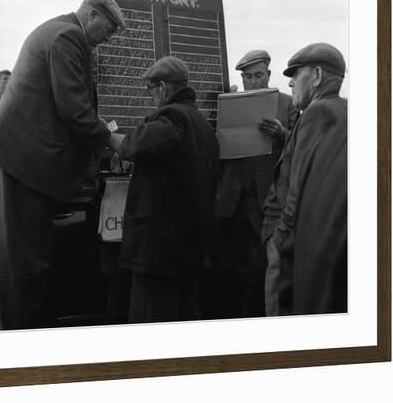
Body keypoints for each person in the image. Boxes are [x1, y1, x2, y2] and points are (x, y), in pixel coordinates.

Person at [0, 0, 126, 329]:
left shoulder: (59, 32)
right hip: (29, 166)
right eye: (109, 29)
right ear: (91, 15)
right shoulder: (69, 37)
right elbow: (73, 109)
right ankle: (20, 339)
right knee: (26, 264)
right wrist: (111, 140)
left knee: (26, 257)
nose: (109, 38)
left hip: (25, 162)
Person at [110, 56, 220, 324]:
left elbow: (138, 145)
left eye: (151, 90)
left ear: (162, 86)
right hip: (189, 249)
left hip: (160, 252)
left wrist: (107, 137)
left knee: (150, 321)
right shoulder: (204, 125)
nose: (151, 97)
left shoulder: (174, 116)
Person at [264, 42, 347, 316]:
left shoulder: (316, 112)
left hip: (292, 243)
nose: (290, 85)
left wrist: (280, 241)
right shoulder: (342, 111)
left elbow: (297, 191)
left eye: (295, 75)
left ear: (318, 76)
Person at [213, 50, 298, 318]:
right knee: (230, 262)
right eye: (248, 77)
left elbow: (301, 146)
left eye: (258, 75)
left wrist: (282, 134)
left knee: (261, 263)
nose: (253, 81)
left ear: (268, 76)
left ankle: (258, 312)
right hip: (232, 197)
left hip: (266, 198)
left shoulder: (287, 104)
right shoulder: (231, 102)